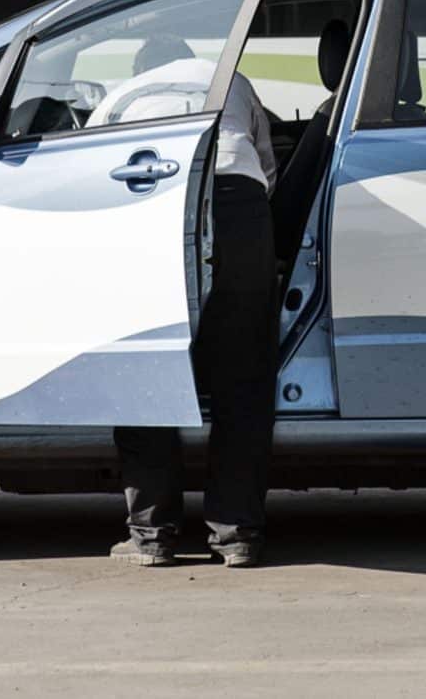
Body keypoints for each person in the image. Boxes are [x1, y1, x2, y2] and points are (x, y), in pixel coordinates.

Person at [109, 61, 278, 569]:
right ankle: (236, 534)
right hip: (239, 201)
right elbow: (266, 169)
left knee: (146, 368)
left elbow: (95, 166)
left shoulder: (125, 91)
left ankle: (152, 536)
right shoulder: (234, 80)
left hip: (154, 202)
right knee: (243, 378)